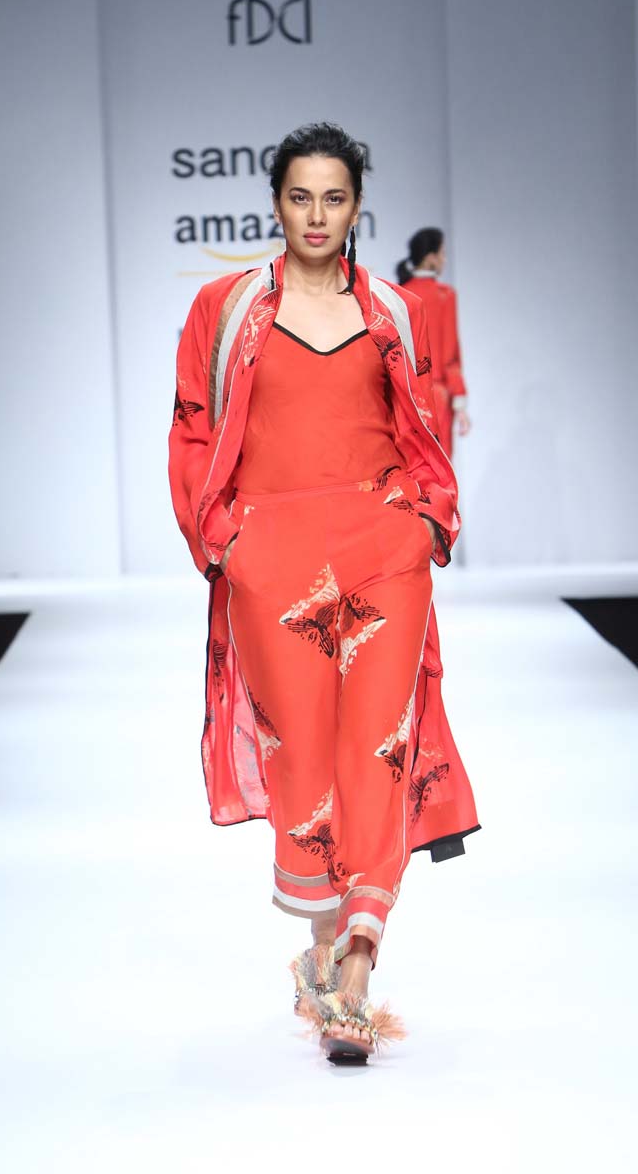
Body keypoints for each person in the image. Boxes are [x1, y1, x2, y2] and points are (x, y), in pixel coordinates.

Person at [168, 122, 479, 1063]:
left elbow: (422, 424)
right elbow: (192, 427)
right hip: (273, 556)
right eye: (300, 197)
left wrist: (427, 521)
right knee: (303, 757)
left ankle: (355, 970)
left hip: (382, 547)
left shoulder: (392, 309)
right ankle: (319, 940)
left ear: (356, 207)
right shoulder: (225, 309)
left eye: (334, 198)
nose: (316, 215)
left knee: (376, 749)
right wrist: (223, 540)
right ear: (275, 202)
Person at [397, 228, 471, 457]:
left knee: (410, 467)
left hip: (404, 398)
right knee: (439, 468)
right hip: (436, 397)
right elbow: (449, 356)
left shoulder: (398, 294)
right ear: (431, 257)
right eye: (442, 253)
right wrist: (460, 402)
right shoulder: (444, 295)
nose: (445, 260)